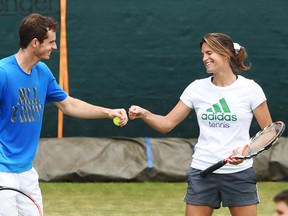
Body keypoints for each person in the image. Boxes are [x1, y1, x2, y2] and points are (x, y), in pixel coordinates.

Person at [129, 33, 272, 216]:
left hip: (239, 175)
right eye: (203, 54)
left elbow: (269, 133)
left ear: (226, 53)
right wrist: (145, 114)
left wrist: (245, 153)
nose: (205, 59)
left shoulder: (251, 89)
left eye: (209, 53)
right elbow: (167, 124)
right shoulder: (196, 88)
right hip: (202, 172)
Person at [0, 13, 128, 213]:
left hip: (27, 172)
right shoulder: (3, 73)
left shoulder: (42, 72)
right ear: (35, 42)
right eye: (50, 42)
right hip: (2, 172)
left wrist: (109, 112)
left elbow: (68, 104)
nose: (55, 47)